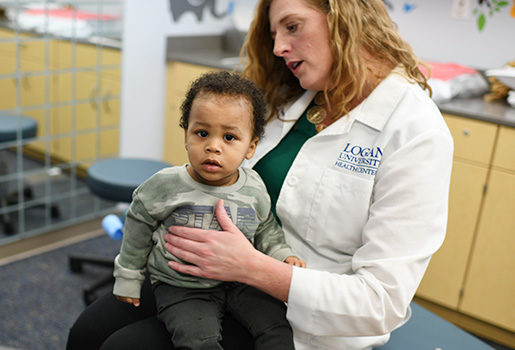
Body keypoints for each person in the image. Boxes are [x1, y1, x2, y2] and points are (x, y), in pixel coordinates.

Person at [67, 0, 453, 349]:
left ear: (344, 18)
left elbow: (381, 302)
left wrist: (251, 266)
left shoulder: (415, 131)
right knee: (87, 332)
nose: (279, 48)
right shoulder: (298, 95)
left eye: (293, 26)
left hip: (300, 316)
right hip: (212, 274)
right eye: (274, 34)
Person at [111, 71, 305, 349]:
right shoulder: (165, 185)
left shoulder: (253, 187)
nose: (213, 146)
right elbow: (138, 224)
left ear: (250, 147)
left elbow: (265, 228)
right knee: (198, 341)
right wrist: (128, 276)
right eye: (202, 133)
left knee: (277, 328)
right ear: (186, 136)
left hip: (241, 279)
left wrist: (283, 255)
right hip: (181, 285)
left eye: (229, 137)